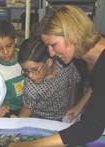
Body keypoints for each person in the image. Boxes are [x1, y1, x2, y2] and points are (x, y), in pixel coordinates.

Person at [9, 5, 105, 147]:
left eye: (53, 45)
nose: (51, 53)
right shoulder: (79, 56)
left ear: (73, 34)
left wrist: (31, 145)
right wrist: (79, 106)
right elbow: (97, 84)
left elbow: (91, 128)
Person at [18, 36, 81, 121]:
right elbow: (27, 108)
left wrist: (72, 105)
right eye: (25, 70)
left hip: (66, 114)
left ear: (49, 62)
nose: (30, 76)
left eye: (34, 70)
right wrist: (18, 122)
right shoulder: (30, 86)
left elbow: (74, 84)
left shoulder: (65, 65)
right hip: (42, 120)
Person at [0, 20, 25, 117]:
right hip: (6, 111)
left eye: (9, 46)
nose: (5, 52)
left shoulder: (25, 58)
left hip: (28, 107)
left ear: (15, 40)